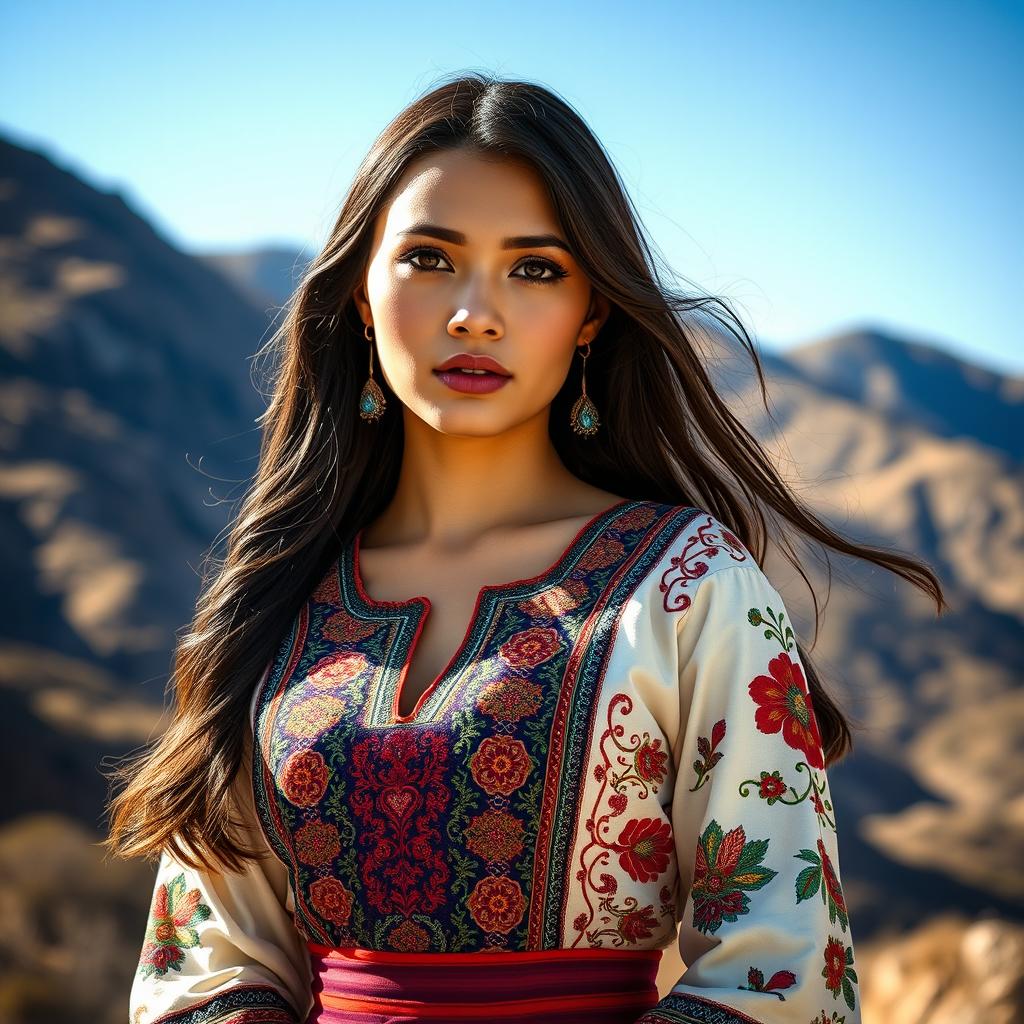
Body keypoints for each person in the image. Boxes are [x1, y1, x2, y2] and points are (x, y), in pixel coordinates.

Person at [106, 72, 946, 1024]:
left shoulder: (688, 585)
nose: (475, 312)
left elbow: (785, 972)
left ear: (591, 313)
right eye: (428, 258)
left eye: (535, 268)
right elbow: (208, 957)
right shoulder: (280, 594)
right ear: (360, 293)